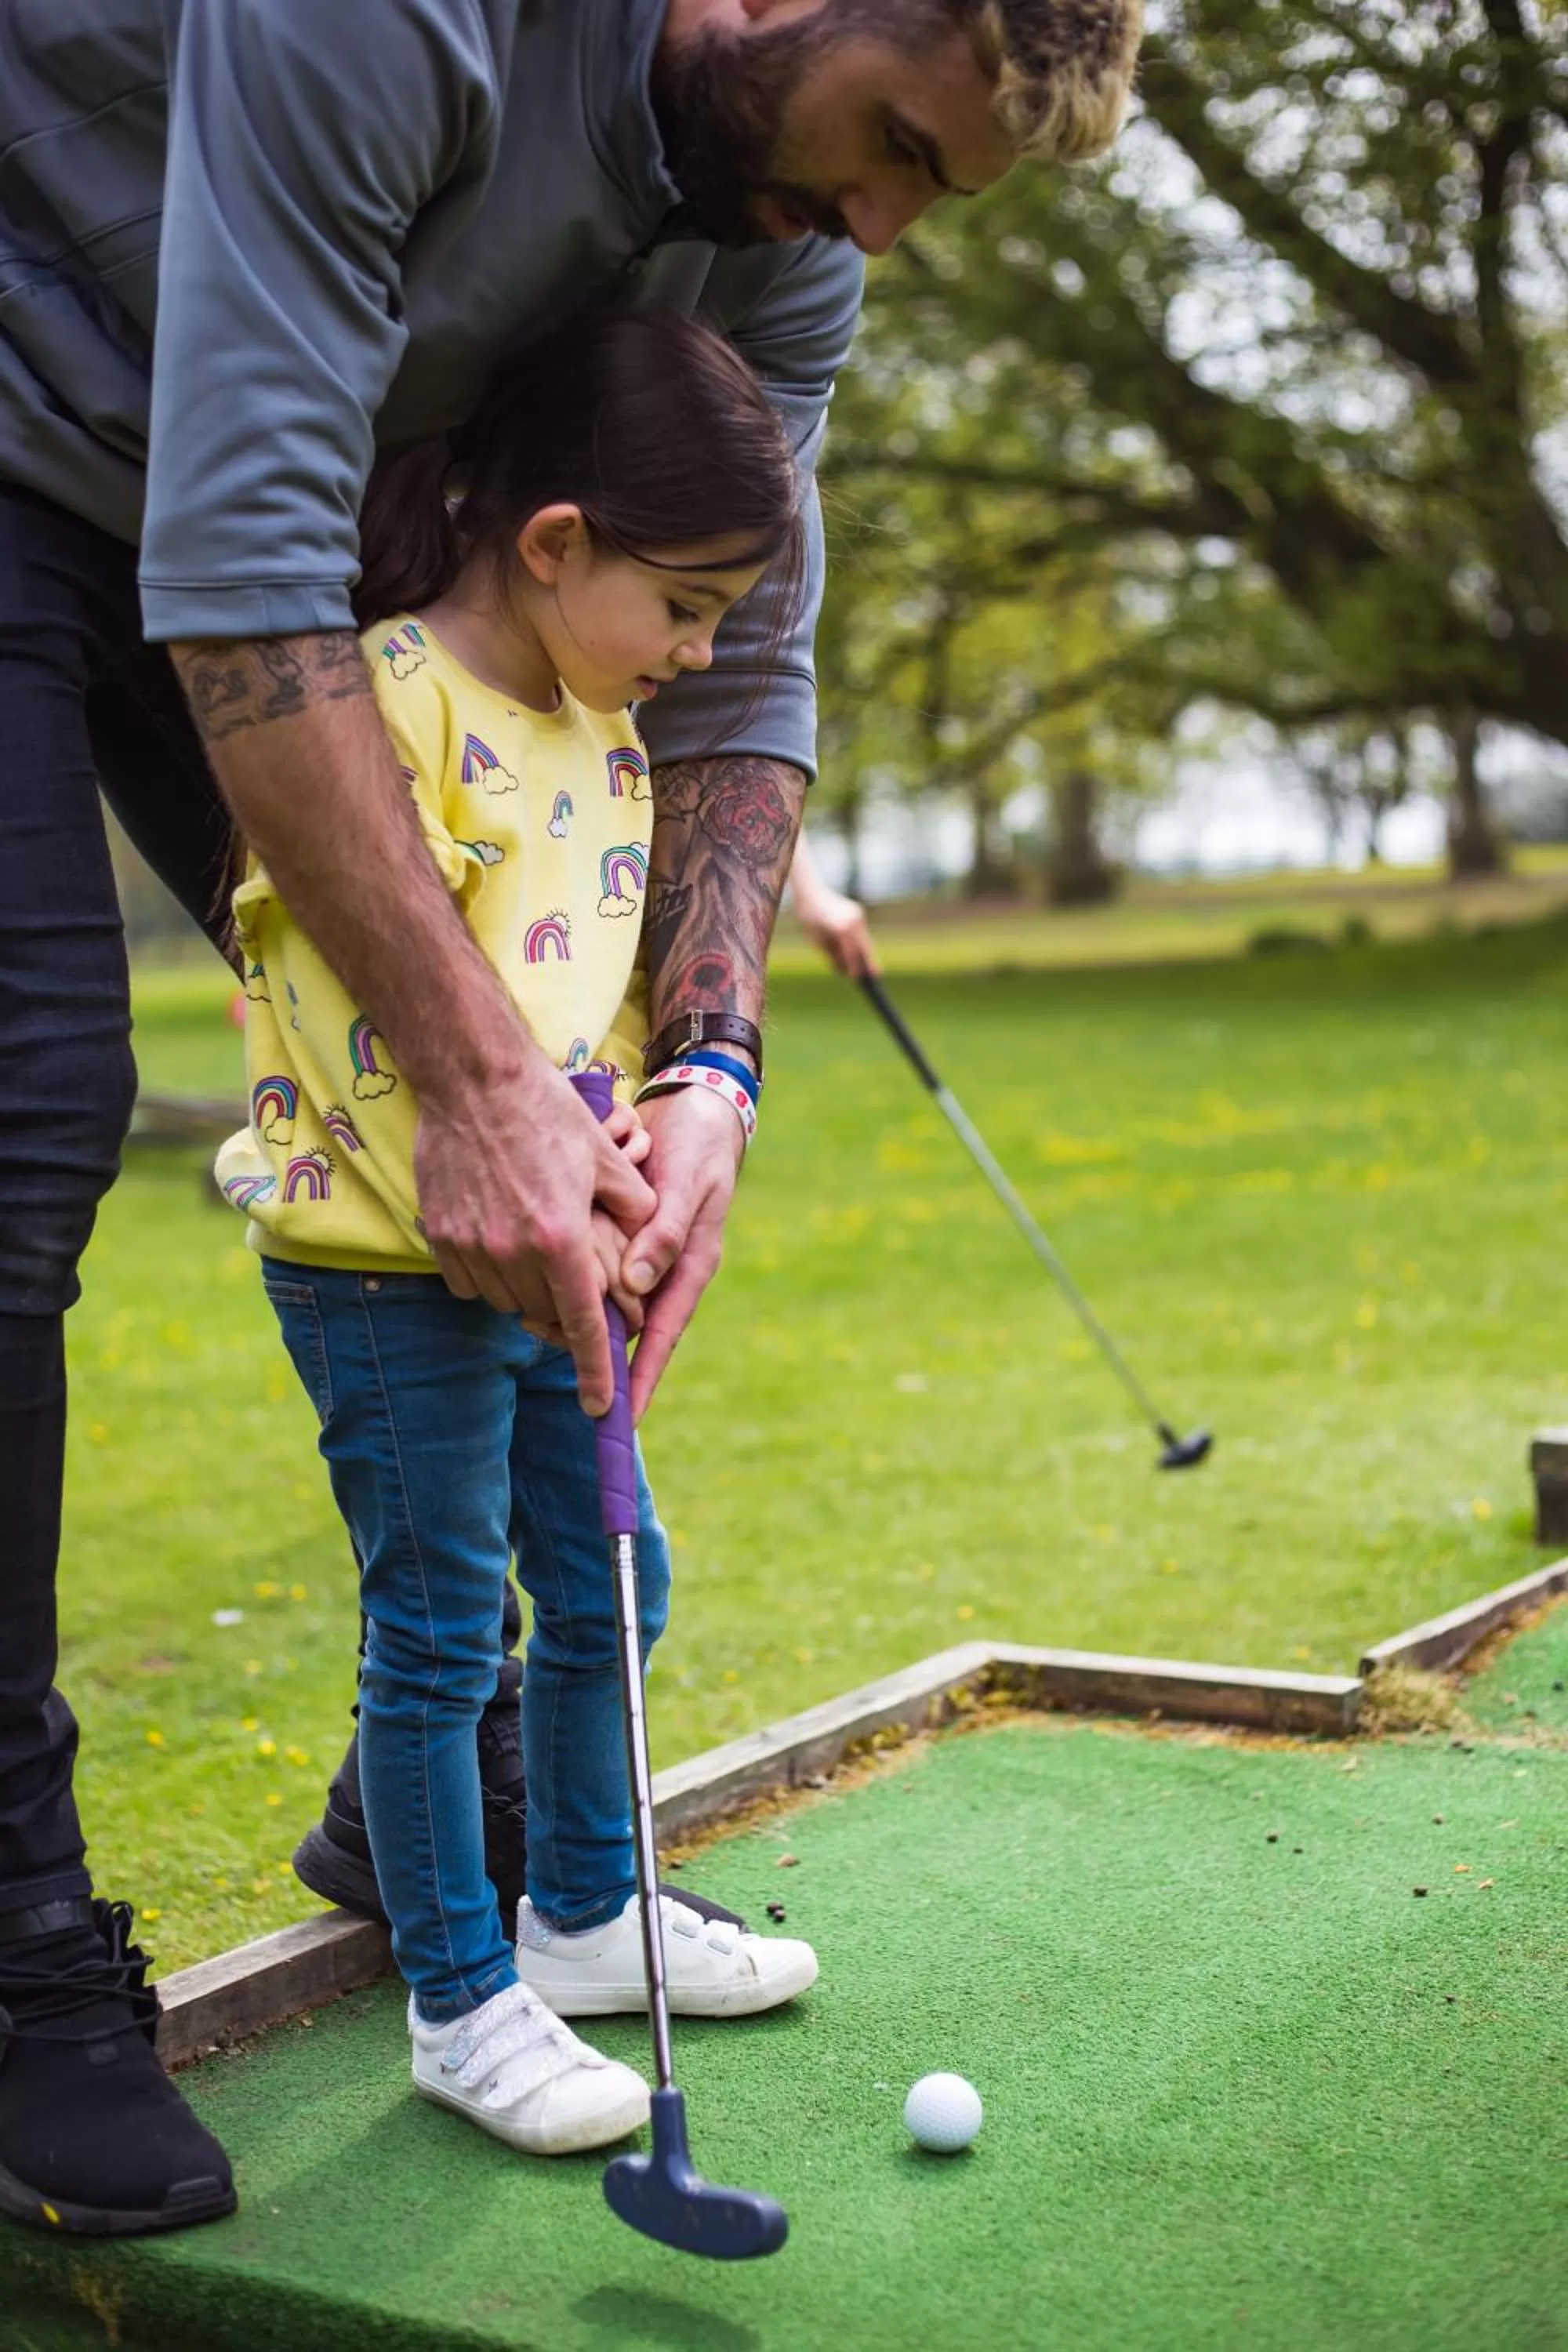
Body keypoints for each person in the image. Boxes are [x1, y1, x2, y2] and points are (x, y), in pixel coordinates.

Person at [0, 0, 1143, 2238]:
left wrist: (701, 1068)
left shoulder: (785, 225)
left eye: (937, 196)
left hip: (289, 504)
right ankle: (20, 1952)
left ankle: (476, 1808)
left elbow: (743, 647)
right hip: (35, 442)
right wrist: (477, 1084)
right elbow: (239, 572)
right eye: (893, 144)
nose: (882, 231)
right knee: (30, 1116)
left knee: (544, 1101)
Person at [217, 306, 818, 2158]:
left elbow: (606, 1004)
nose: (706, 656)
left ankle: (579, 1914)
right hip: (391, 1268)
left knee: (614, 1586)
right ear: (555, 544)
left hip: (561, 1250)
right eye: (688, 607)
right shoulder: (385, 697)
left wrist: (635, 1139)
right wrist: (541, 1159)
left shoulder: (612, 742)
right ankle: (461, 2004)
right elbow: (335, 993)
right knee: (437, 1633)